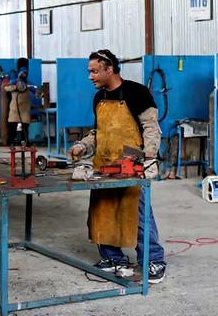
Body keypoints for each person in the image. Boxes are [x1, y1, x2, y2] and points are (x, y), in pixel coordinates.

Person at [67, 49, 167, 284]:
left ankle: (153, 260)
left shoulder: (137, 93)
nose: (90, 76)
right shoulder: (98, 98)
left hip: (132, 164)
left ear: (109, 69)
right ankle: (112, 258)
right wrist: (82, 146)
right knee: (103, 212)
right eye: (89, 71)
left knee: (139, 213)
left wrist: (149, 157)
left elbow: (151, 128)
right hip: (104, 165)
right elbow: (99, 132)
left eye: (94, 71)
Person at [4, 58, 33, 144]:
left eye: (25, 73)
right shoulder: (13, 82)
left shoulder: (28, 83)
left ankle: (25, 143)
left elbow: (34, 90)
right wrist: (15, 87)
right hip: (14, 109)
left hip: (25, 110)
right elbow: (6, 88)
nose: (24, 74)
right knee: (12, 128)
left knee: (25, 129)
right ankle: (11, 143)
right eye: (22, 72)